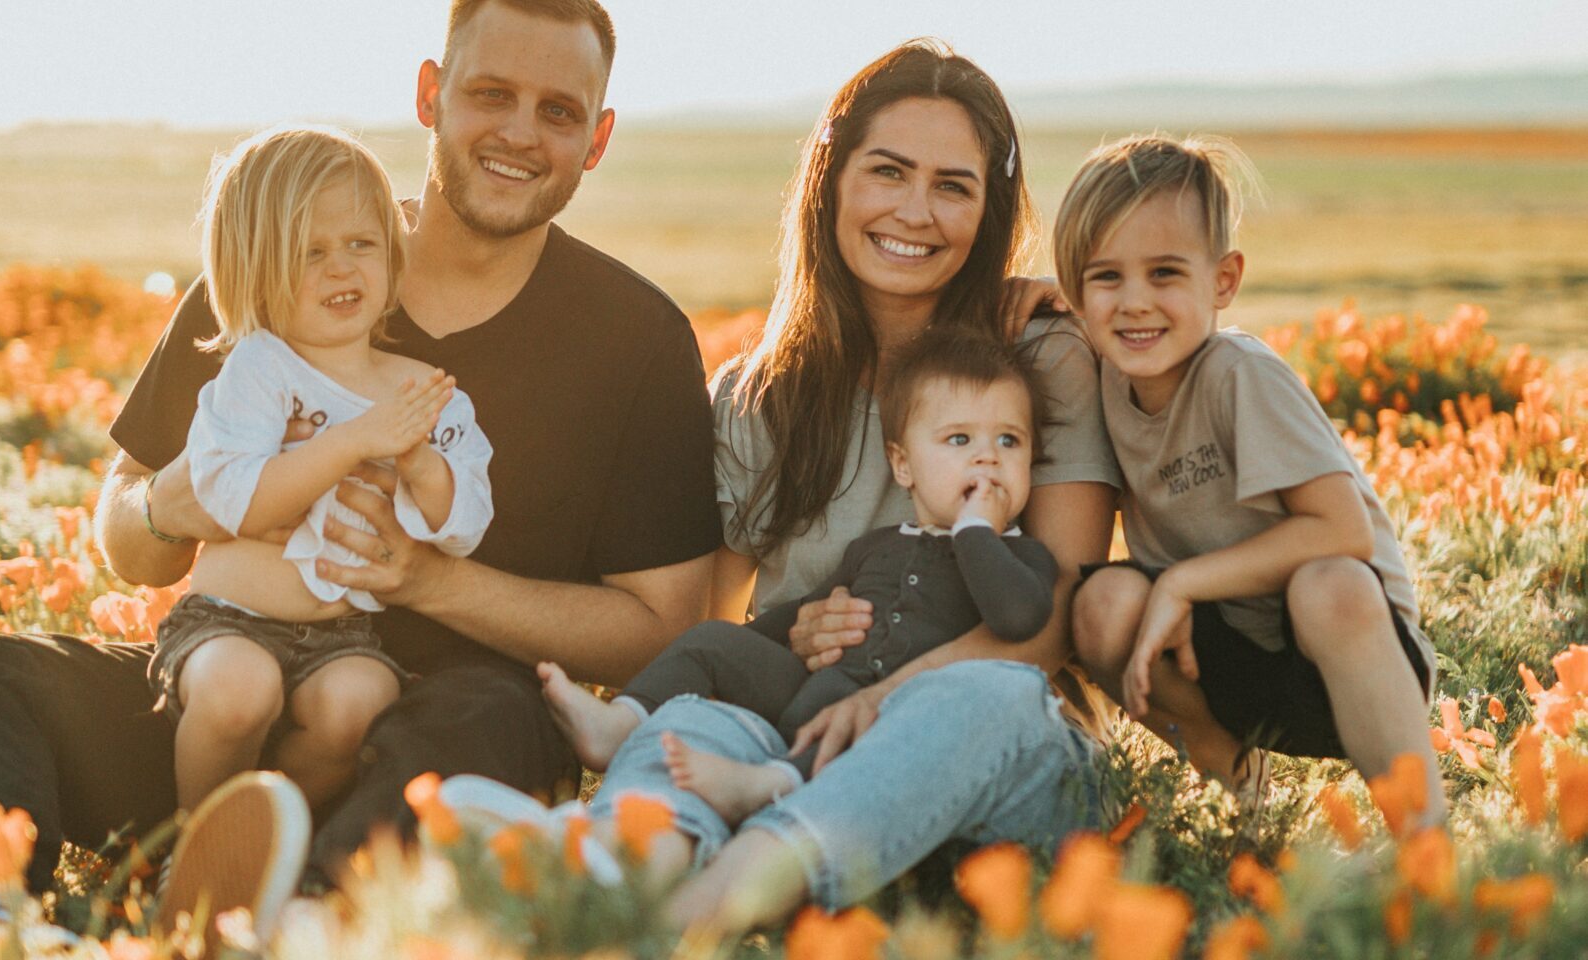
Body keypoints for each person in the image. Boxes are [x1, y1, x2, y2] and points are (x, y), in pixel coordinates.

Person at [0, 0, 719, 937]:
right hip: (222, 702)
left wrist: (429, 580)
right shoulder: (284, 255)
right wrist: (172, 505)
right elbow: (126, 536)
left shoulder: (635, 340)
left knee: (490, 719)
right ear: (432, 95)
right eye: (490, 94)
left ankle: (288, 918)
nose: (520, 132)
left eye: (558, 111)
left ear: (595, 140)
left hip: (429, 738)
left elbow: (661, 630)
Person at [443, 40, 1121, 931]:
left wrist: (884, 696)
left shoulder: (1038, 359)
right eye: (887, 172)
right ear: (831, 180)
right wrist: (792, 634)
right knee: (700, 717)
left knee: (976, 698)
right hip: (801, 740)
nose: (915, 211)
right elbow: (707, 627)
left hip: (999, 758)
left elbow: (1053, 626)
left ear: (988, 210)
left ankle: (693, 916)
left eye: (953, 186)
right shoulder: (758, 397)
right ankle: (615, 865)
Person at [1056, 134, 1444, 824]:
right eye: (1106, 277)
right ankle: (1242, 795)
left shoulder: (1240, 375)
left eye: (1166, 273)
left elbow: (1342, 530)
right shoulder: (1105, 382)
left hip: (1345, 659)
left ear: (1224, 281)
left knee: (1330, 583)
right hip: (1225, 663)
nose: (1134, 302)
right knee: (1100, 603)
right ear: (1075, 292)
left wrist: (1182, 581)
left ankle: (1424, 839)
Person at [539, 329, 1057, 819]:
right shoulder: (876, 546)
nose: (988, 458)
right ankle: (620, 723)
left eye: (1010, 442)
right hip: (814, 689)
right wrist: (752, 646)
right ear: (904, 466)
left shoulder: (1023, 559)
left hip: (899, 720)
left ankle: (770, 784)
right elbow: (800, 613)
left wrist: (975, 532)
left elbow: (1017, 616)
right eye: (960, 439)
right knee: (713, 641)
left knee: (849, 719)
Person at [151, 126, 493, 814]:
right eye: (310, 253)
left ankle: (270, 839)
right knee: (238, 691)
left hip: (343, 635)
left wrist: (419, 463)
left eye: (360, 245)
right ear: (255, 270)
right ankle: (191, 842)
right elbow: (236, 503)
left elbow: (465, 525)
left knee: (361, 703)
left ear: (392, 255)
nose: (341, 269)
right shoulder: (259, 368)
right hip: (227, 620)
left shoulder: (422, 387)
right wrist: (354, 440)